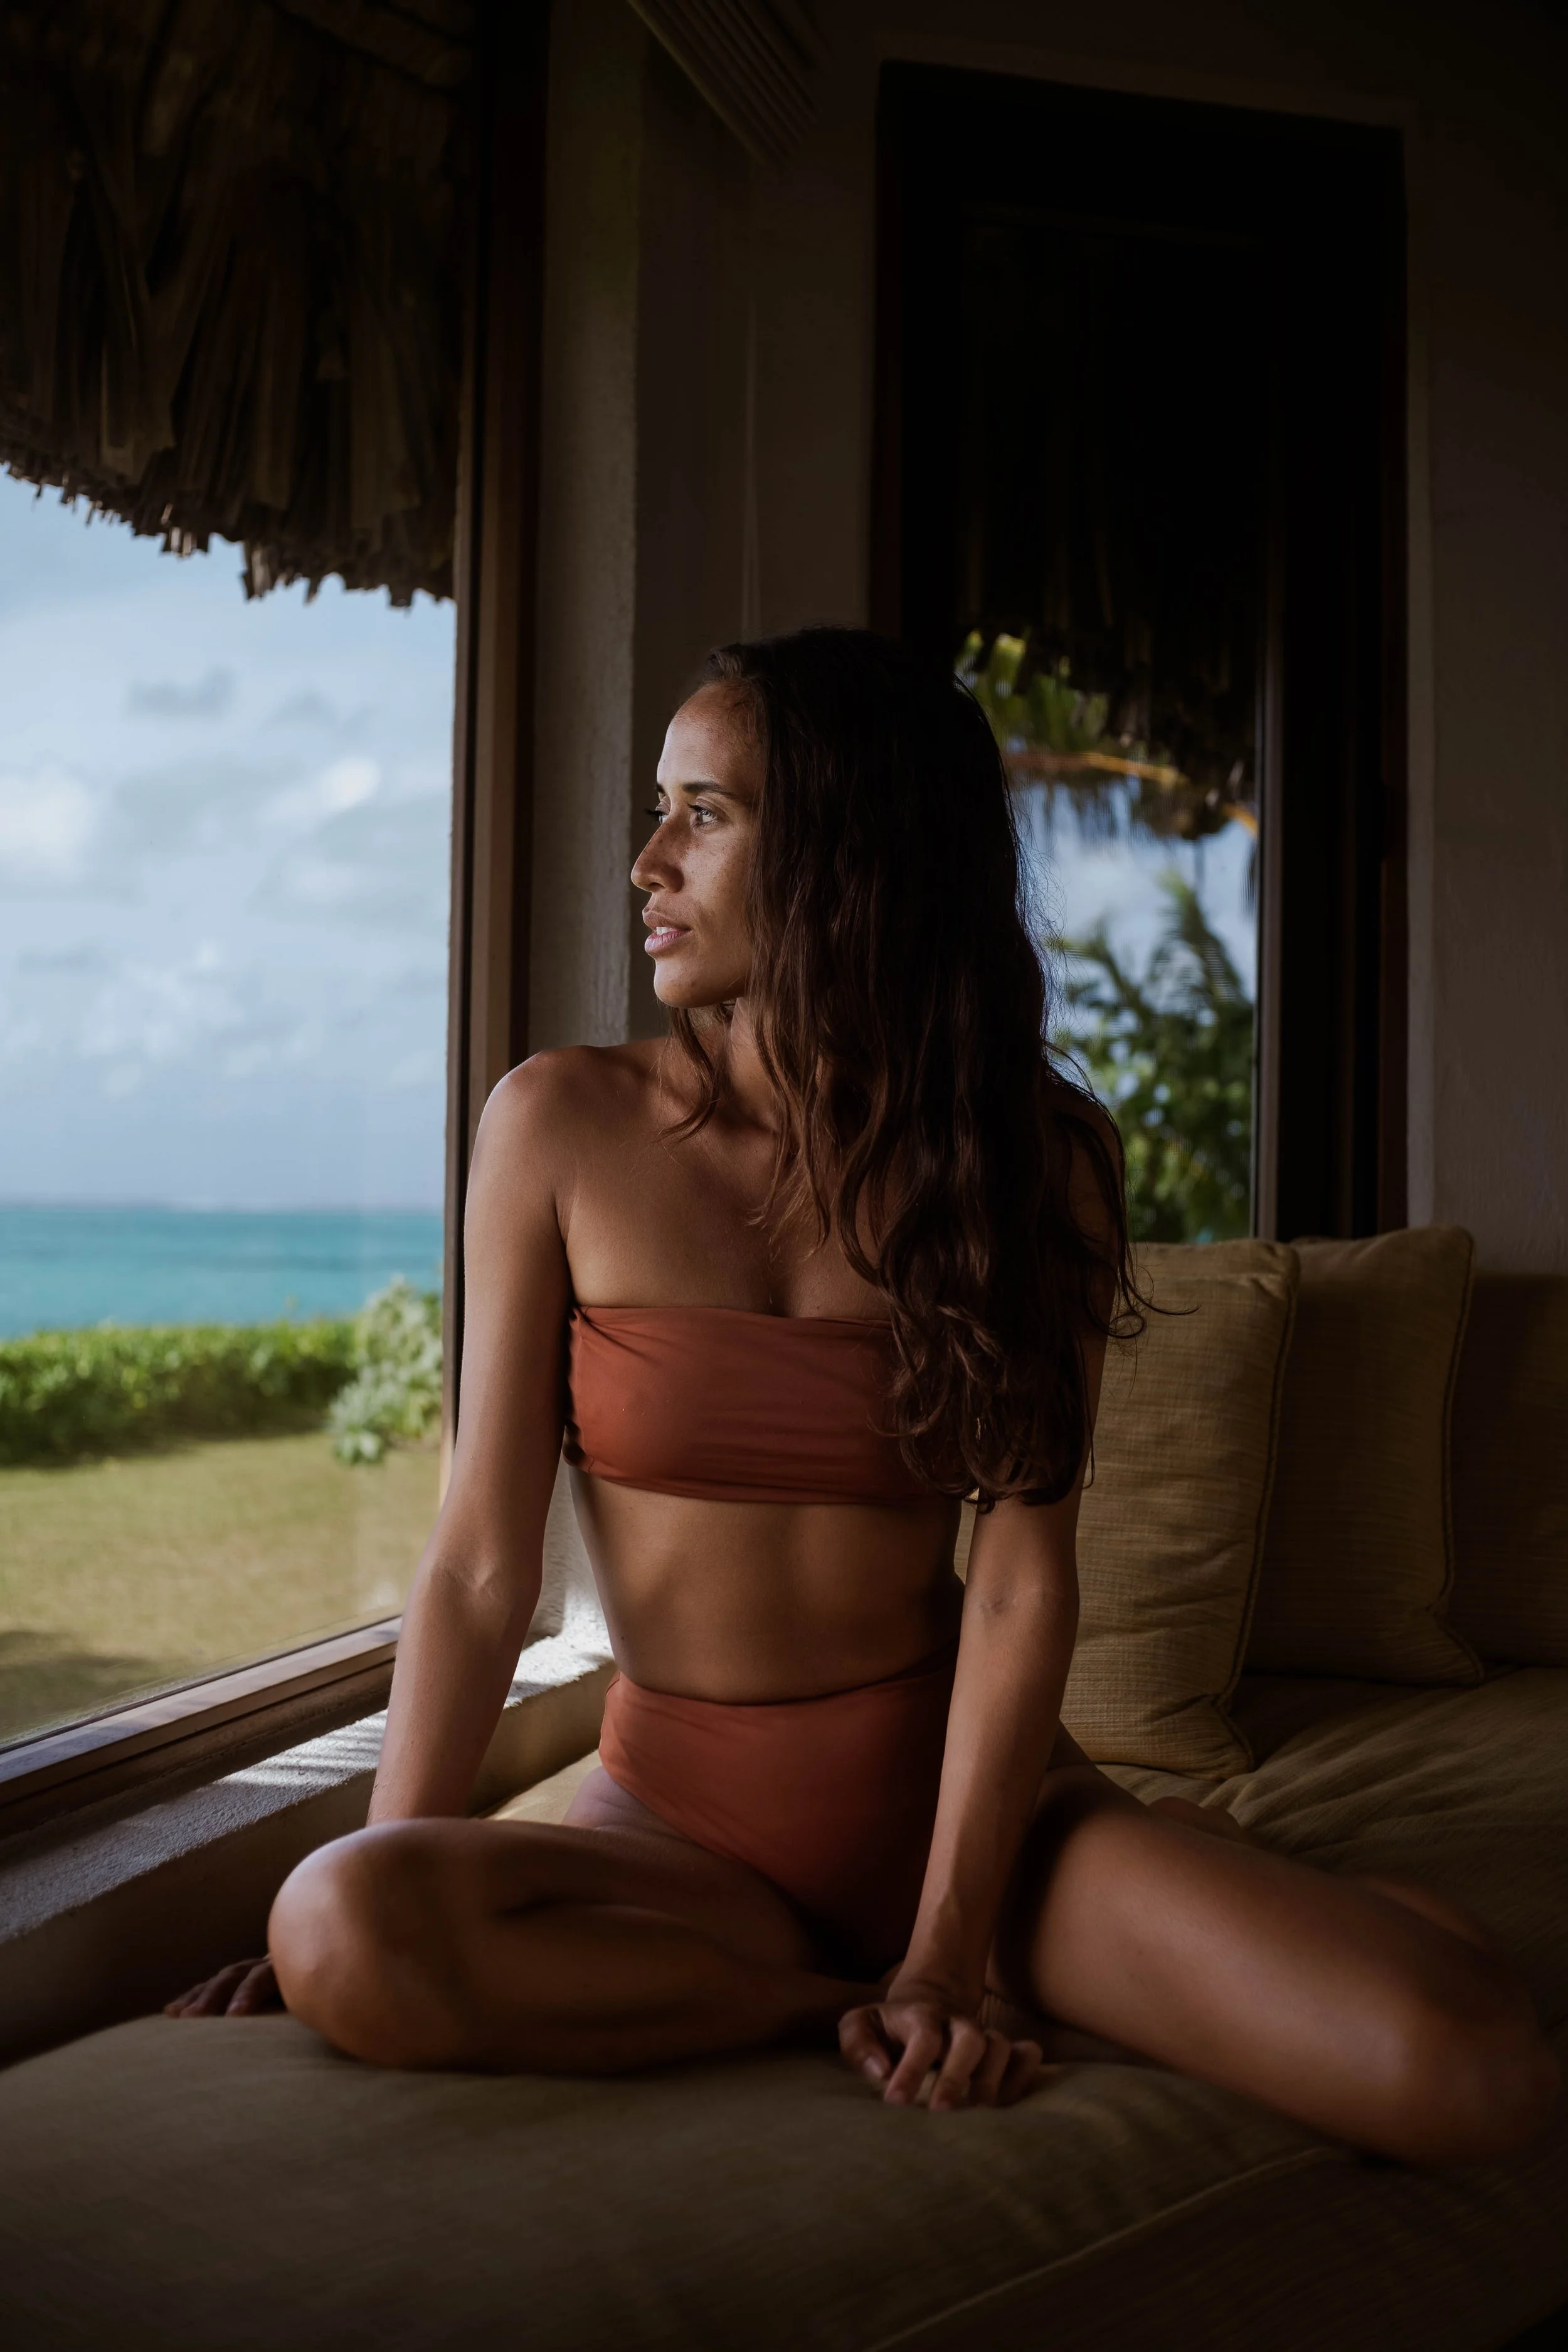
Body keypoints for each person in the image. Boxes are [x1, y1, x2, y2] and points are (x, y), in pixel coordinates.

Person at [171, 628, 1556, 2158]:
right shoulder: (559, 1126)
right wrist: (398, 1873)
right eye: (658, 807)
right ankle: (814, 1997)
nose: (648, 860)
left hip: (978, 1828)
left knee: (1474, 2071)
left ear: (847, 851)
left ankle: (1103, 1936)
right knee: (341, 1925)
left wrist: (951, 1949)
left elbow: (1024, 1586)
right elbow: (480, 1569)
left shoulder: (1031, 1159)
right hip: (682, 1841)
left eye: (705, 814)